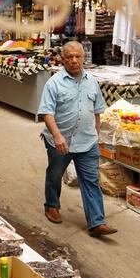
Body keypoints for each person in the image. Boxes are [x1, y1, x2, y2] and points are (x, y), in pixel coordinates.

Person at [38, 41, 117, 237]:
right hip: (60, 142)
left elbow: (98, 110)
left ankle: (97, 222)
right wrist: (57, 136)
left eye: (78, 57)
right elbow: (46, 113)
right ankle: (52, 206)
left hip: (87, 141)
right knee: (55, 175)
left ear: (84, 57)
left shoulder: (92, 81)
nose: (74, 61)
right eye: (69, 57)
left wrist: (96, 134)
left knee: (91, 180)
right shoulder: (54, 83)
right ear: (63, 59)